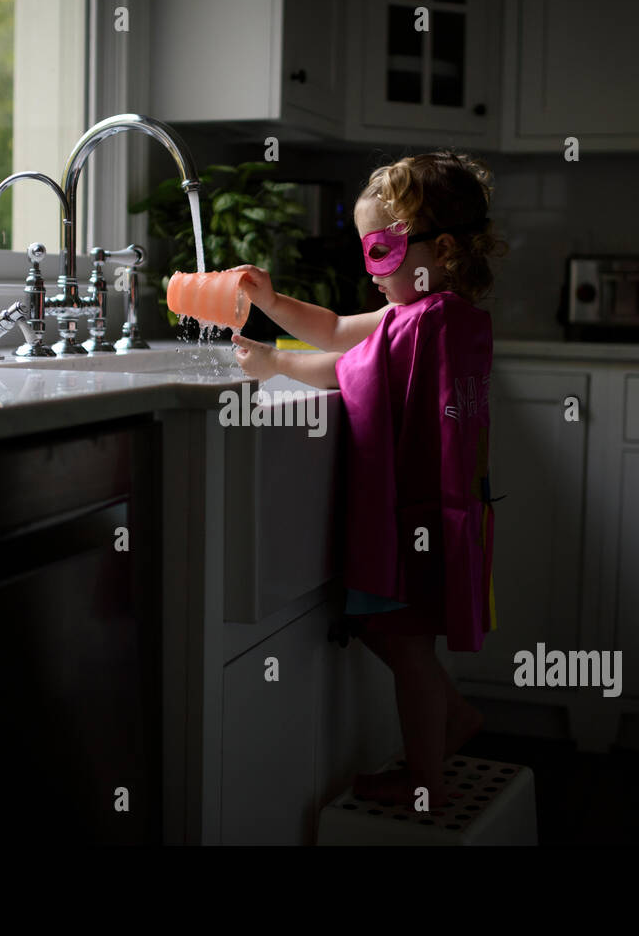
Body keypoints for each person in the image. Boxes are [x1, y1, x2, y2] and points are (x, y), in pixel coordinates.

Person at [229, 150, 507, 809]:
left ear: (439, 248)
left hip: (416, 522)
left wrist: (275, 363)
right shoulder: (443, 316)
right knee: (392, 634)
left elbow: (341, 366)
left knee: (404, 647)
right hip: (442, 515)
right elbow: (331, 329)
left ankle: (425, 781)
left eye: (380, 250)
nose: (368, 268)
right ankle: (456, 719)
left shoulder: (426, 322)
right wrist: (270, 304)